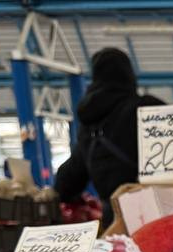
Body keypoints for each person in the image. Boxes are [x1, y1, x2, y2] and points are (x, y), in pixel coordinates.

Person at [55, 48, 162, 226]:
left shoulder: (89, 124)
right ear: (129, 75)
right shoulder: (147, 108)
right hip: (155, 211)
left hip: (113, 220)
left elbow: (68, 180)